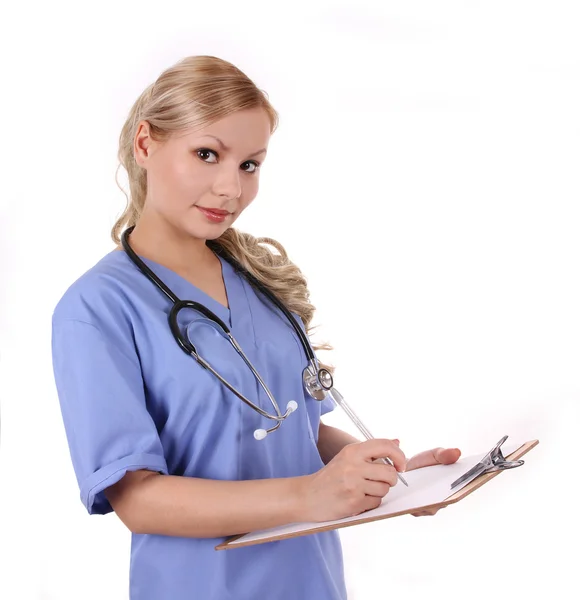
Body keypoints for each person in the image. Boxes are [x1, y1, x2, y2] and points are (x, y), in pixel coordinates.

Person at [51, 55, 462, 600]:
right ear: (146, 145)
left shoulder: (259, 282)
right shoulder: (96, 308)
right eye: (207, 154)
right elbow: (137, 500)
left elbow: (295, 431)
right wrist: (307, 497)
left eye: (250, 164)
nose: (231, 188)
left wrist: (395, 479)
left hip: (310, 582)